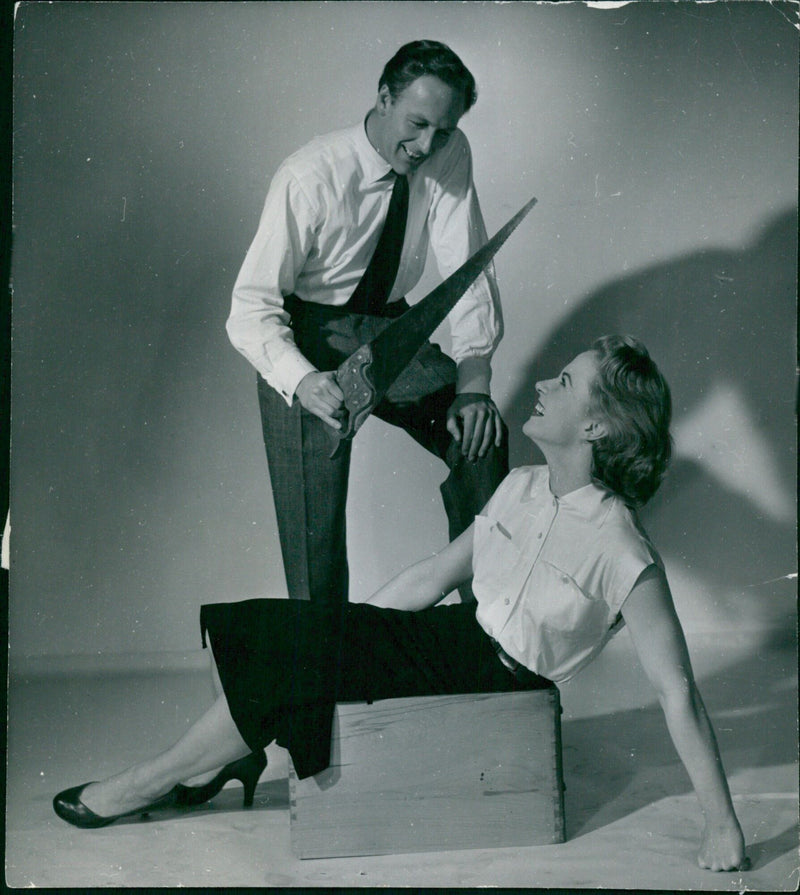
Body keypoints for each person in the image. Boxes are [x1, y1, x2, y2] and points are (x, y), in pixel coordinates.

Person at [53, 335, 747, 872]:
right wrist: (351, 625)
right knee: (288, 626)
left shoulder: (625, 548)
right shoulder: (523, 488)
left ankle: (148, 781)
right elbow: (436, 573)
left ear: (598, 426)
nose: (540, 382)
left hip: (496, 680)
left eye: (564, 382)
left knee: (297, 655)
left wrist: (722, 824)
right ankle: (213, 759)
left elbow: (677, 690)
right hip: (448, 641)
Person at [226, 40, 508, 605]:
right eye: (417, 124)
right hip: (304, 334)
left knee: (479, 441)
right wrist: (303, 380)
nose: (427, 146)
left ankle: (487, 631)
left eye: (443, 131)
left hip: (388, 327)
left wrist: (474, 385)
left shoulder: (449, 151)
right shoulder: (309, 175)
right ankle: (328, 672)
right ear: (383, 98)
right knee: (315, 536)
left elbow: (468, 271)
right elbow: (250, 307)